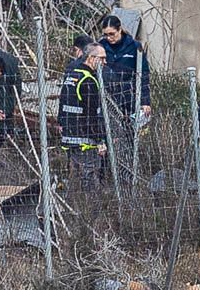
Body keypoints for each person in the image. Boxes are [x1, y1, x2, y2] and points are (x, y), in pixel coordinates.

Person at [57, 42, 108, 190]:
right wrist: (99, 140)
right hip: (85, 140)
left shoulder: (71, 76)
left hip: (69, 137)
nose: (105, 62)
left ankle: (76, 208)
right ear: (91, 58)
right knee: (90, 180)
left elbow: (62, 105)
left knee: (75, 179)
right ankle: (90, 210)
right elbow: (91, 115)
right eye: (102, 58)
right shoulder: (88, 80)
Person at [96, 15, 152, 123]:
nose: (109, 38)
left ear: (119, 30)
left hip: (129, 96)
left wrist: (145, 101)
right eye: (106, 35)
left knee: (129, 130)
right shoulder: (101, 46)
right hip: (107, 96)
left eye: (112, 34)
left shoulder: (134, 46)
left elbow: (144, 75)